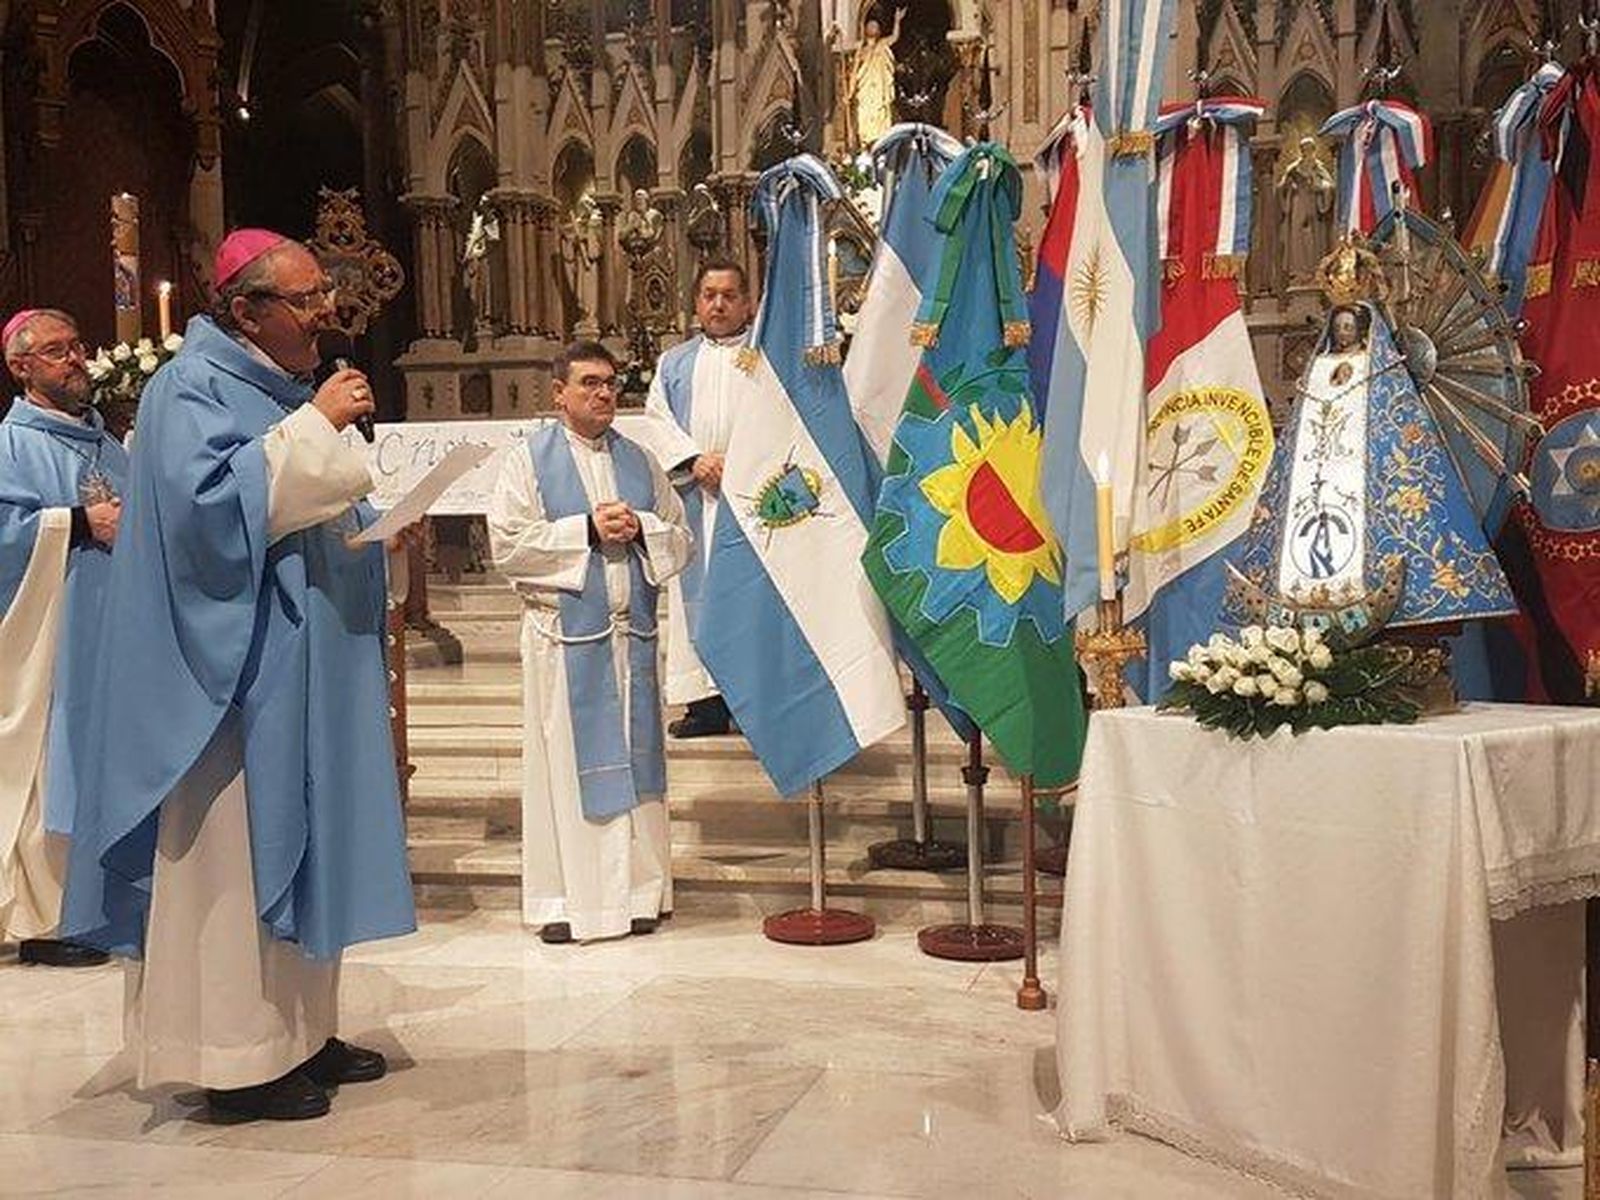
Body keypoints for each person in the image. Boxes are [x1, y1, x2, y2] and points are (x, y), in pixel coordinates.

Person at [61, 229, 417, 1122]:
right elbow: (205, 522)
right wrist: (318, 428)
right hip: (232, 683)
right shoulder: (189, 388)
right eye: (305, 300)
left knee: (310, 846)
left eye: (321, 296)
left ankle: (301, 1034)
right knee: (235, 857)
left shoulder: (278, 389)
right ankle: (235, 1057)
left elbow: (304, 507)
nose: (325, 313)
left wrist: (378, 531)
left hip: (308, 668)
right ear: (246, 309)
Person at [487, 341, 691, 944]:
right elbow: (508, 546)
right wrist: (584, 528)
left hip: (631, 641)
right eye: (589, 383)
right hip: (564, 643)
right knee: (567, 774)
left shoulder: (641, 460)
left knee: (638, 770)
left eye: (610, 383)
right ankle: (566, 903)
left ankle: (639, 896)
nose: (604, 393)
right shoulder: (528, 460)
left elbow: (680, 536)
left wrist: (642, 527)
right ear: (559, 393)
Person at [0, 309, 125, 968]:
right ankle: (49, 924)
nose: (75, 358)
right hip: (51, 640)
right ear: (21, 367)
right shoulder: (10, 445)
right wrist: (76, 522)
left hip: (114, 632)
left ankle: (104, 902)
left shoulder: (111, 445)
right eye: (56, 351)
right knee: (56, 764)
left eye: (78, 347)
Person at [628, 258, 755, 737]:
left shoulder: (766, 356)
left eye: (728, 295)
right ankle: (705, 704)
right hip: (694, 495)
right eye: (709, 295)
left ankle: (749, 702)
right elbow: (657, 419)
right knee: (694, 600)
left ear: (748, 303)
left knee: (747, 599)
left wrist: (739, 464)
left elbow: (783, 420)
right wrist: (694, 459)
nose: (718, 304)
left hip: (752, 498)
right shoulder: (674, 362)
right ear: (697, 302)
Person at [847, 7, 906, 150]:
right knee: (865, 118)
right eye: (870, 26)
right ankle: (865, 147)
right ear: (865, 30)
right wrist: (850, 91)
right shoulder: (861, 51)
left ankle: (880, 145)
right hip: (865, 92)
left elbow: (894, 37)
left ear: (879, 31)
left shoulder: (882, 45)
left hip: (879, 90)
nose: (873, 28)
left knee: (880, 116)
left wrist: (897, 21)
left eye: (875, 26)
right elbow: (855, 72)